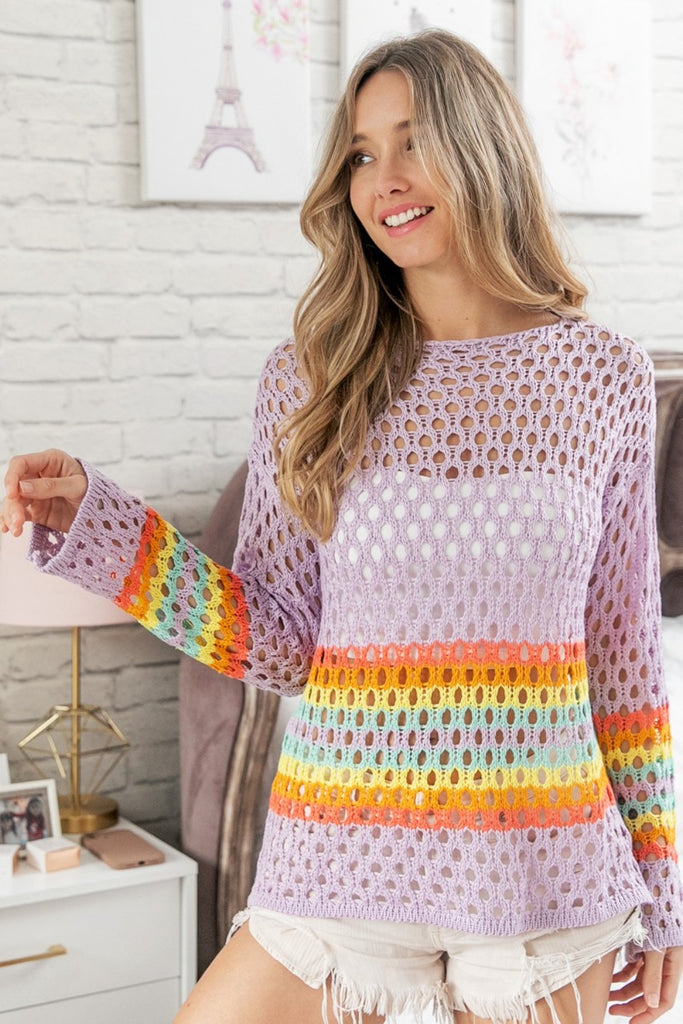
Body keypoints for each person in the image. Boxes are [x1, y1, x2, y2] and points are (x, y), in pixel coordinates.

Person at [2, 28, 683, 1024]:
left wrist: (661, 887)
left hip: (542, 875)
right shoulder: (310, 381)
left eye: (413, 141)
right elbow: (282, 640)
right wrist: (111, 537)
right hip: (339, 860)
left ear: (483, 147)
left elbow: (622, 659)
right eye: (361, 154)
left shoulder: (603, 377)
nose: (384, 179)